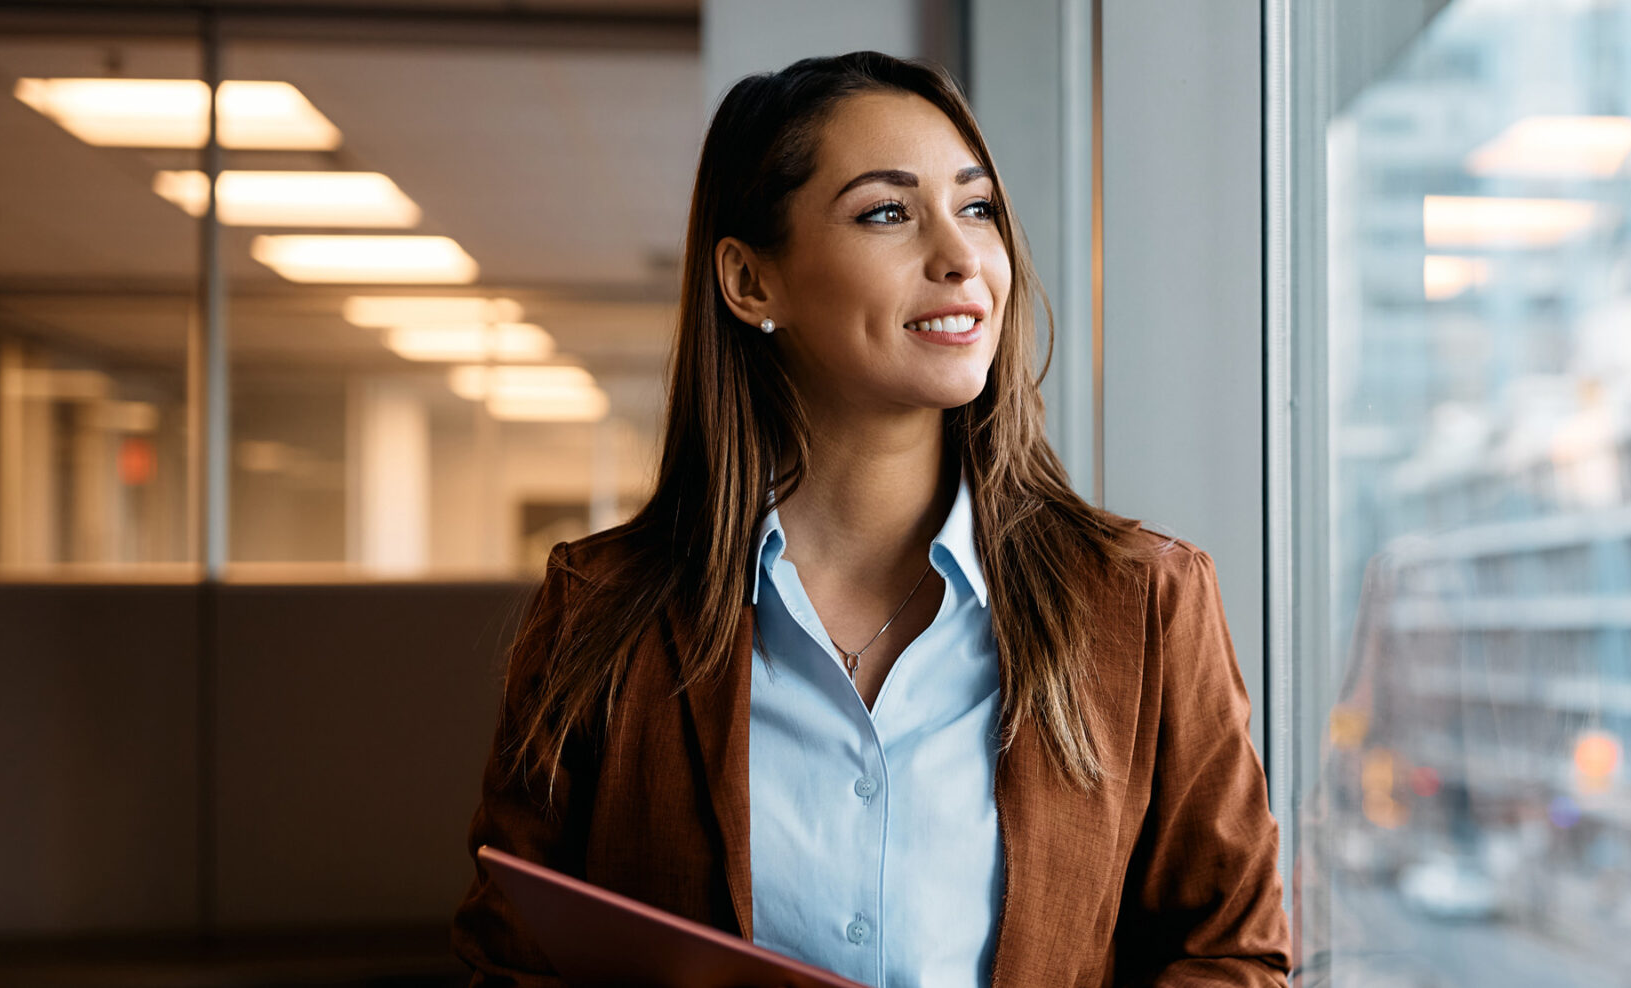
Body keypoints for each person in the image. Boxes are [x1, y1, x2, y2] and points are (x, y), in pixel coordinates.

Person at [451, 51, 1289, 987]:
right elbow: (508, 960)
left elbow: (1232, 955)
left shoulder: (1143, 604)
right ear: (750, 283)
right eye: (887, 212)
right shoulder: (601, 612)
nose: (961, 255)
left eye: (976, 209)